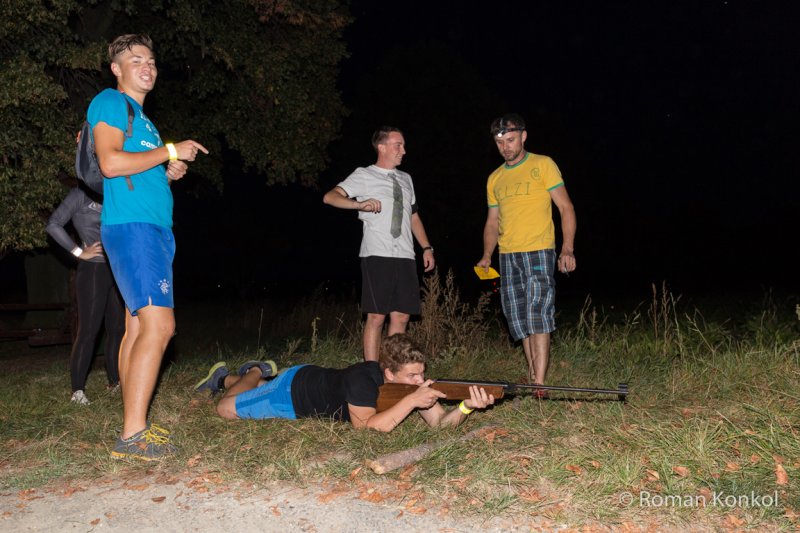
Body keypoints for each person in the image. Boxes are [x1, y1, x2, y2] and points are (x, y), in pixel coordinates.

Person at [90, 34, 208, 460]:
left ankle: (132, 422)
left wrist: (166, 170)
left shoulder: (144, 120)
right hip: (134, 228)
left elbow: (138, 168)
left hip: (152, 229)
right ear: (116, 69)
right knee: (161, 327)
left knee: (138, 327)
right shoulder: (110, 101)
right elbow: (110, 163)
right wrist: (170, 150)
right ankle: (133, 434)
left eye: (152, 60)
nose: (147, 66)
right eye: (136, 60)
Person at [195, 334, 495, 432]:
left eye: (421, 373)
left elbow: (440, 424)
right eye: (412, 376)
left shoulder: (406, 388)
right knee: (224, 409)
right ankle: (252, 371)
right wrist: (411, 401)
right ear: (389, 373)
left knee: (257, 393)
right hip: (293, 391)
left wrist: (466, 407)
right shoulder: (362, 381)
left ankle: (238, 379)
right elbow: (367, 428)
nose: (420, 381)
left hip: (313, 382)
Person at [477, 113, 577, 390]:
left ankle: (540, 384)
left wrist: (567, 248)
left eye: (510, 140)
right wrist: (487, 254)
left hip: (539, 249)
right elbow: (492, 222)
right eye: (500, 143)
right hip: (508, 255)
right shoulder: (495, 178)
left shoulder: (543, 164)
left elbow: (565, 207)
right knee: (519, 316)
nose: (505, 147)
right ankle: (533, 374)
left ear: (523, 136)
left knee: (538, 312)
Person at [323, 127, 435, 362]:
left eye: (403, 145)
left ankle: (392, 368)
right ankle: (371, 371)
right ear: (381, 147)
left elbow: (413, 217)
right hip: (377, 254)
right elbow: (330, 197)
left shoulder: (406, 179)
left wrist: (426, 247)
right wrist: (358, 205)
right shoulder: (364, 175)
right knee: (376, 317)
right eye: (398, 145)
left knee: (402, 316)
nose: (403, 150)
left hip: (405, 254)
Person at [46, 186, 125, 405]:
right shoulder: (80, 194)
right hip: (93, 270)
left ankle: (115, 382)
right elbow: (53, 225)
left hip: (118, 268)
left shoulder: (115, 190)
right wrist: (79, 252)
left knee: (117, 329)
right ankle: (77, 391)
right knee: (89, 331)